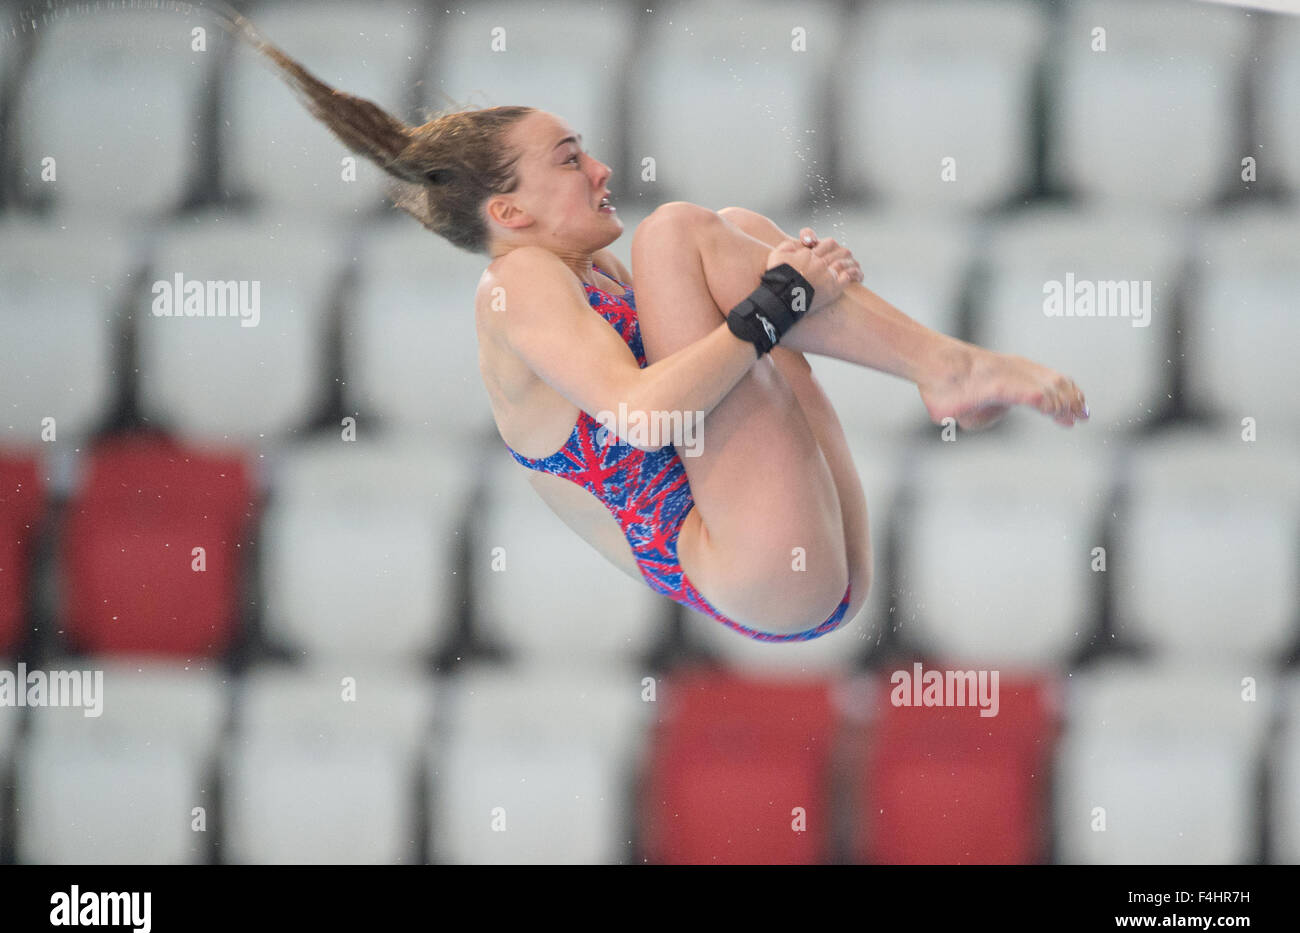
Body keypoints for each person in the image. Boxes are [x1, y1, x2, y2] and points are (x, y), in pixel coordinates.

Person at [220, 10, 1088, 642]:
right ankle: (948, 369)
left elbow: (717, 361)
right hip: (751, 564)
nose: (601, 170)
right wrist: (786, 297)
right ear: (510, 211)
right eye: (569, 159)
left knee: (730, 228)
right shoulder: (517, 285)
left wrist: (787, 289)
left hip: (801, 568)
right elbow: (640, 415)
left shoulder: (583, 274)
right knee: (679, 233)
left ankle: (945, 368)